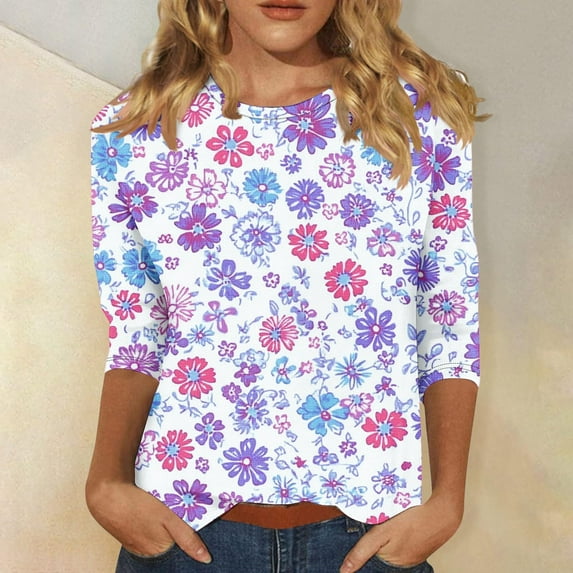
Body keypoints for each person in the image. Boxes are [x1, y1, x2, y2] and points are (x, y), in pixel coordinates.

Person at [86, 1, 485, 571]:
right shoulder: (137, 130)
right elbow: (137, 334)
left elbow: (447, 320)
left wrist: (446, 502)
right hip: (183, 536)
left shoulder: (414, 116)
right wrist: (104, 482)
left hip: (368, 537)